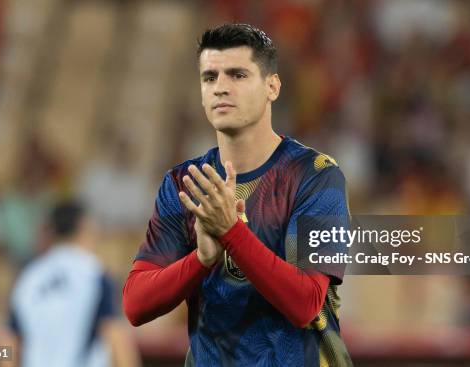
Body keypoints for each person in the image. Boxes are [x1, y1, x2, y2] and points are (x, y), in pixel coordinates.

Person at [123, 23, 353, 366]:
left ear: (272, 86)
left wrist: (231, 233)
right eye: (209, 77)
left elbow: (306, 303)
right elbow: (135, 304)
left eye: (237, 75)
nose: (220, 88)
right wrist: (201, 260)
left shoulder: (316, 176)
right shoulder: (183, 184)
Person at [7, 200, 139, 367]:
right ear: (84, 226)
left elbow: (7, 340)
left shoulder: (29, 277)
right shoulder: (94, 273)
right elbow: (115, 338)